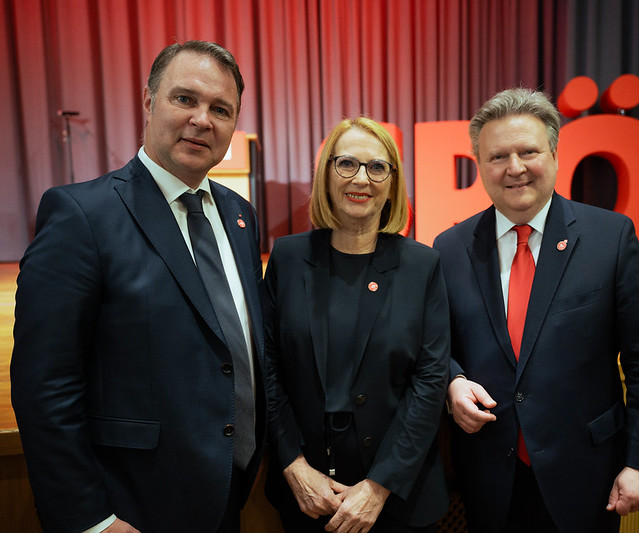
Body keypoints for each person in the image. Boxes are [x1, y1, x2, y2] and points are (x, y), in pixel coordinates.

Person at [11, 41, 266, 533]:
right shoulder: (81, 216)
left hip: (227, 493)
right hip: (131, 506)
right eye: (185, 99)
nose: (202, 120)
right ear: (149, 101)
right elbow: (44, 385)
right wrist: (90, 519)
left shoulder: (240, 215)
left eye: (221, 109)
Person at [432, 88, 639, 533]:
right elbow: (435, 346)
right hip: (489, 475)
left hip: (586, 473)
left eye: (528, 151)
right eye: (498, 156)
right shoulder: (449, 249)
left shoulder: (611, 238)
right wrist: (452, 382)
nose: (514, 168)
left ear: (555, 155)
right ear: (480, 166)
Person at [264, 117, 450, 532]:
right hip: (307, 496)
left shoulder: (423, 266)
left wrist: (379, 486)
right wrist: (294, 464)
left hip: (399, 498)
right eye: (347, 163)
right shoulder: (288, 259)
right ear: (326, 174)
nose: (361, 179)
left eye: (377, 167)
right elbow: (268, 368)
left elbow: (430, 381)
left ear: (392, 183)